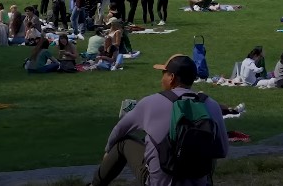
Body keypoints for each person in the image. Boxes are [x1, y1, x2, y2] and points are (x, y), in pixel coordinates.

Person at [89, 54, 228, 186]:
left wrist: (108, 152)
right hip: (198, 179)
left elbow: (119, 130)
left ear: (172, 77)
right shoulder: (212, 105)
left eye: (164, 73)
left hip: (159, 182)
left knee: (122, 143)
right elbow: (222, 150)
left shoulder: (150, 102)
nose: (162, 78)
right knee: (209, 143)